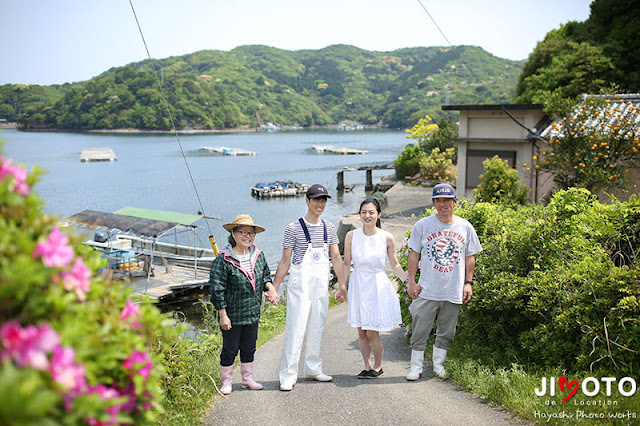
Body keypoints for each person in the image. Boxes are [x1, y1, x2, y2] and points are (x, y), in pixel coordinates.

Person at [272, 183, 347, 391]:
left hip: (321, 284)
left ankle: (313, 368)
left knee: (317, 325)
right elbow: (285, 261)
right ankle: (288, 374)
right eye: (316, 200)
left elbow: (335, 257)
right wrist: (275, 287)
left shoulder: (329, 227)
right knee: (295, 328)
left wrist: (342, 284)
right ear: (307, 201)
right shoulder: (293, 228)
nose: (320, 204)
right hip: (300, 285)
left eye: (323, 200)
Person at [405, 183, 482, 380]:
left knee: (446, 331)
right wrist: (411, 282)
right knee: (419, 330)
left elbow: (469, 257)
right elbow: (413, 255)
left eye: (447, 200)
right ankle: (416, 367)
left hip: (452, 290)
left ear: (455, 202)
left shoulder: (465, 227)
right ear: (433, 203)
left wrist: (468, 283)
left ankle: (438, 365)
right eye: (438, 200)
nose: (443, 204)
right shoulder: (422, 226)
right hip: (427, 289)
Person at [209, 214, 279, 395]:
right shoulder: (223, 259)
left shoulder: (258, 254)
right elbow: (217, 289)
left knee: (249, 346)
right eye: (243, 232)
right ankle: (227, 381)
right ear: (233, 233)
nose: (248, 236)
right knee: (230, 348)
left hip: (252, 311)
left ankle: (247, 379)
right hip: (232, 313)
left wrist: (271, 289)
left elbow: (264, 277)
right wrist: (222, 315)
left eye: (251, 233)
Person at [343, 197, 406, 379]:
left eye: (371, 212)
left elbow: (395, 264)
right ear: (359, 214)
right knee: (361, 330)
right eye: (364, 212)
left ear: (379, 214)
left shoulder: (386, 237)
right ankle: (366, 365)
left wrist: (408, 282)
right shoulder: (351, 236)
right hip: (358, 283)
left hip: (376, 285)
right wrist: (342, 285)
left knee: (372, 331)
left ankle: (378, 366)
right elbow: (347, 263)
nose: (367, 216)